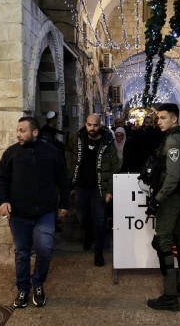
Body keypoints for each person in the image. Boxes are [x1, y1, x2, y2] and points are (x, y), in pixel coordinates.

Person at [0, 117, 70, 308]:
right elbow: (0, 181)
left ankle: (38, 285)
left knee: (45, 250)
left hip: (44, 213)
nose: (18, 134)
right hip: (18, 215)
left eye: (22, 130)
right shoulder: (11, 153)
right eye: (17, 130)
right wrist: (2, 202)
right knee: (22, 253)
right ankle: (22, 289)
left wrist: (65, 203)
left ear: (35, 132)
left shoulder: (51, 152)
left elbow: (63, 178)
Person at [146, 103, 180, 312]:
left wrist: (158, 199)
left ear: (174, 119)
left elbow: (173, 176)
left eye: (163, 118)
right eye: (158, 118)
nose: (159, 121)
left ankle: (170, 296)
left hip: (172, 198)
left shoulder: (173, 140)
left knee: (163, 242)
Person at [66, 114, 119, 266]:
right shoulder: (78, 139)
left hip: (99, 188)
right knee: (83, 216)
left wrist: (110, 190)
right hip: (81, 186)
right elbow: (68, 151)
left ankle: (99, 252)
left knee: (100, 220)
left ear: (100, 125)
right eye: (89, 125)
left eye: (95, 125)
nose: (92, 128)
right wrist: (72, 170)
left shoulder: (108, 142)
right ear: (85, 124)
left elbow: (115, 166)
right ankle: (88, 235)